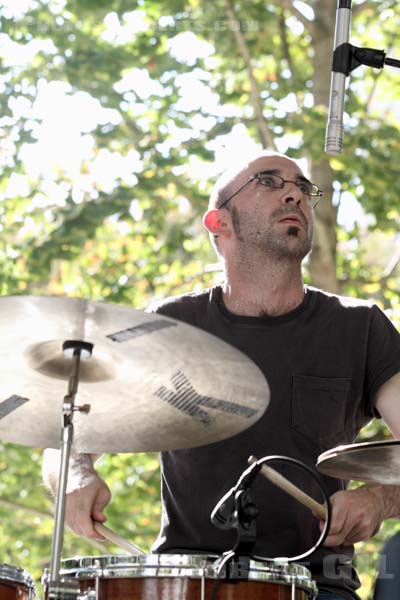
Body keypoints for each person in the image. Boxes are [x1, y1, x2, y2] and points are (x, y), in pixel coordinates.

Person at [43, 151, 400, 600]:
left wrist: (377, 499)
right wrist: (76, 477)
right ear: (219, 223)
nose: (294, 192)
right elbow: (68, 441)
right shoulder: (171, 326)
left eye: (303, 187)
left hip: (314, 586)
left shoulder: (360, 326)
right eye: (268, 182)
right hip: (184, 582)